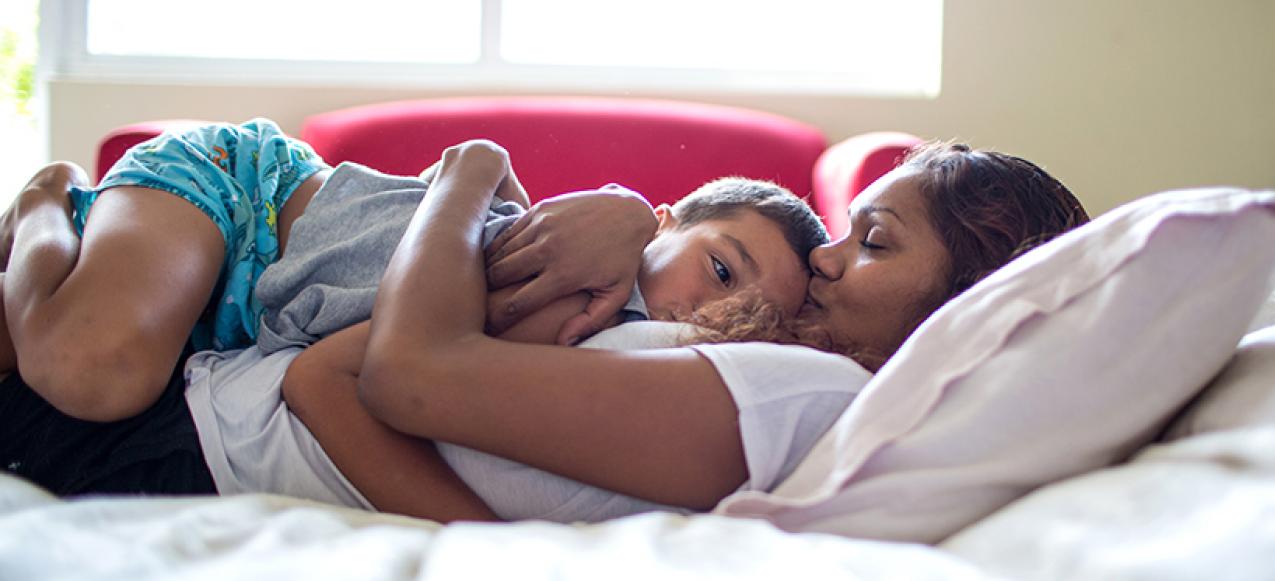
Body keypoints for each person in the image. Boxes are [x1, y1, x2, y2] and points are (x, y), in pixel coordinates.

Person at [0, 138, 829, 518]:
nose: (707, 311)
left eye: (742, 313)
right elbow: (371, 373)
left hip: (241, 326)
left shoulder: (610, 345)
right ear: (664, 220)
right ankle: (50, 201)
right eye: (719, 268)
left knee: (40, 377)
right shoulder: (575, 273)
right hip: (238, 196)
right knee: (89, 369)